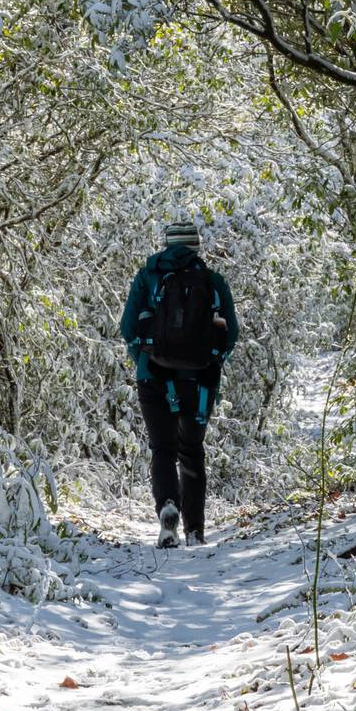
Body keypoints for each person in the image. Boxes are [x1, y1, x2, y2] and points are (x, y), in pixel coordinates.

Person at [120, 219, 239, 547]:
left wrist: (145, 360)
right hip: (199, 381)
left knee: (162, 448)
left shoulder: (147, 277)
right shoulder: (212, 280)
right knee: (191, 450)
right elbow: (231, 334)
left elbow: (128, 328)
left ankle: (167, 508)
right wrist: (212, 361)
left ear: (166, 244)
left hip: (153, 376)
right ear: (196, 247)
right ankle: (196, 531)